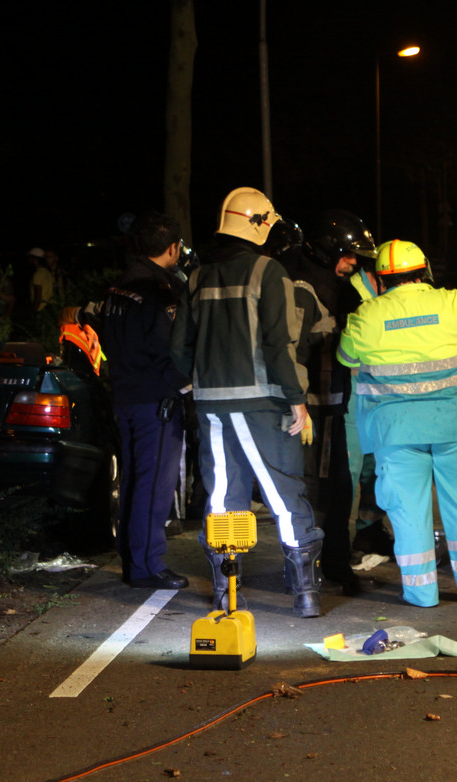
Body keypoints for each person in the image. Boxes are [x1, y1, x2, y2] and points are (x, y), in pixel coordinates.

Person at [170, 187, 323, 618]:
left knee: (223, 495)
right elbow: (278, 344)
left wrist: (199, 382)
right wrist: (297, 400)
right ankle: (305, 596)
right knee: (283, 493)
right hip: (263, 404)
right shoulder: (268, 271)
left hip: (211, 406)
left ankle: (226, 595)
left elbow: (179, 347)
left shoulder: (196, 277)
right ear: (259, 225)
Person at [337, 239, 457, 607]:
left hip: (397, 431)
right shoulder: (451, 302)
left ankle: (421, 592)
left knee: (407, 510)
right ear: (424, 272)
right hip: (454, 426)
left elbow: (346, 357)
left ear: (381, 279)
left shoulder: (366, 315)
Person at [278, 209, 383, 595]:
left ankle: (334, 562)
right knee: (313, 491)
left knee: (338, 488)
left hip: (334, 404)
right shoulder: (303, 288)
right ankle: (310, 569)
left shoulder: (338, 287)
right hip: (311, 408)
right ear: (325, 250)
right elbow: (292, 352)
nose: (353, 262)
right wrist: (299, 405)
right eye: (347, 254)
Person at [98, 212, 192, 590]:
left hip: (124, 395)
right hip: (156, 400)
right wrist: (184, 387)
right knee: (154, 485)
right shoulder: (160, 293)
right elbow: (167, 351)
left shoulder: (117, 289)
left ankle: (132, 556)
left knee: (134, 481)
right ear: (173, 248)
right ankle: (146, 565)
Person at [29, 248, 56, 313]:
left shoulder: (38, 274)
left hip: (41, 308)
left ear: (35, 259)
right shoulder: (47, 272)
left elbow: (38, 296)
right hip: (49, 306)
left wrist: (34, 310)